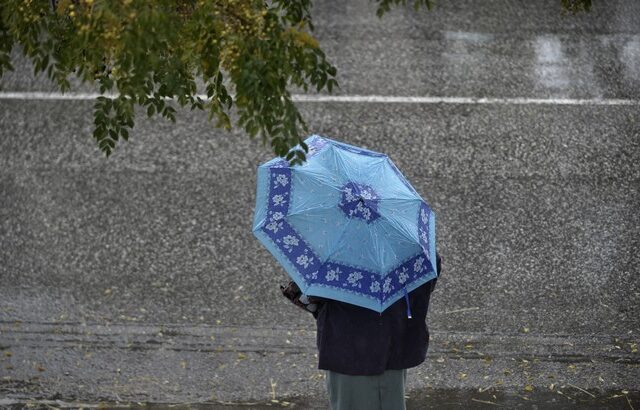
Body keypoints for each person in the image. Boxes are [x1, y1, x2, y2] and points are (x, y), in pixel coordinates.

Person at [284, 253, 442, 410]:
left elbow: (310, 291)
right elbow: (430, 273)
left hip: (349, 352)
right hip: (393, 347)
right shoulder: (409, 245)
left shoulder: (338, 249)